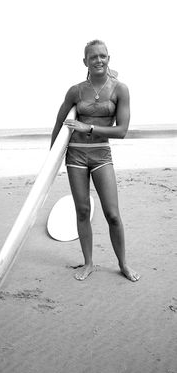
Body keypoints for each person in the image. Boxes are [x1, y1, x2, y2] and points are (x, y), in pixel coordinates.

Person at [50, 39, 140, 282]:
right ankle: (89, 263)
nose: (98, 60)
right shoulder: (76, 91)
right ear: (85, 62)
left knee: (112, 214)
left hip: (101, 154)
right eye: (93, 57)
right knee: (82, 211)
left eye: (102, 56)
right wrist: (52, 161)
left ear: (109, 58)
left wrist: (86, 126)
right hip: (75, 155)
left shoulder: (120, 89)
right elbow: (59, 125)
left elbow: (121, 131)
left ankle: (123, 264)